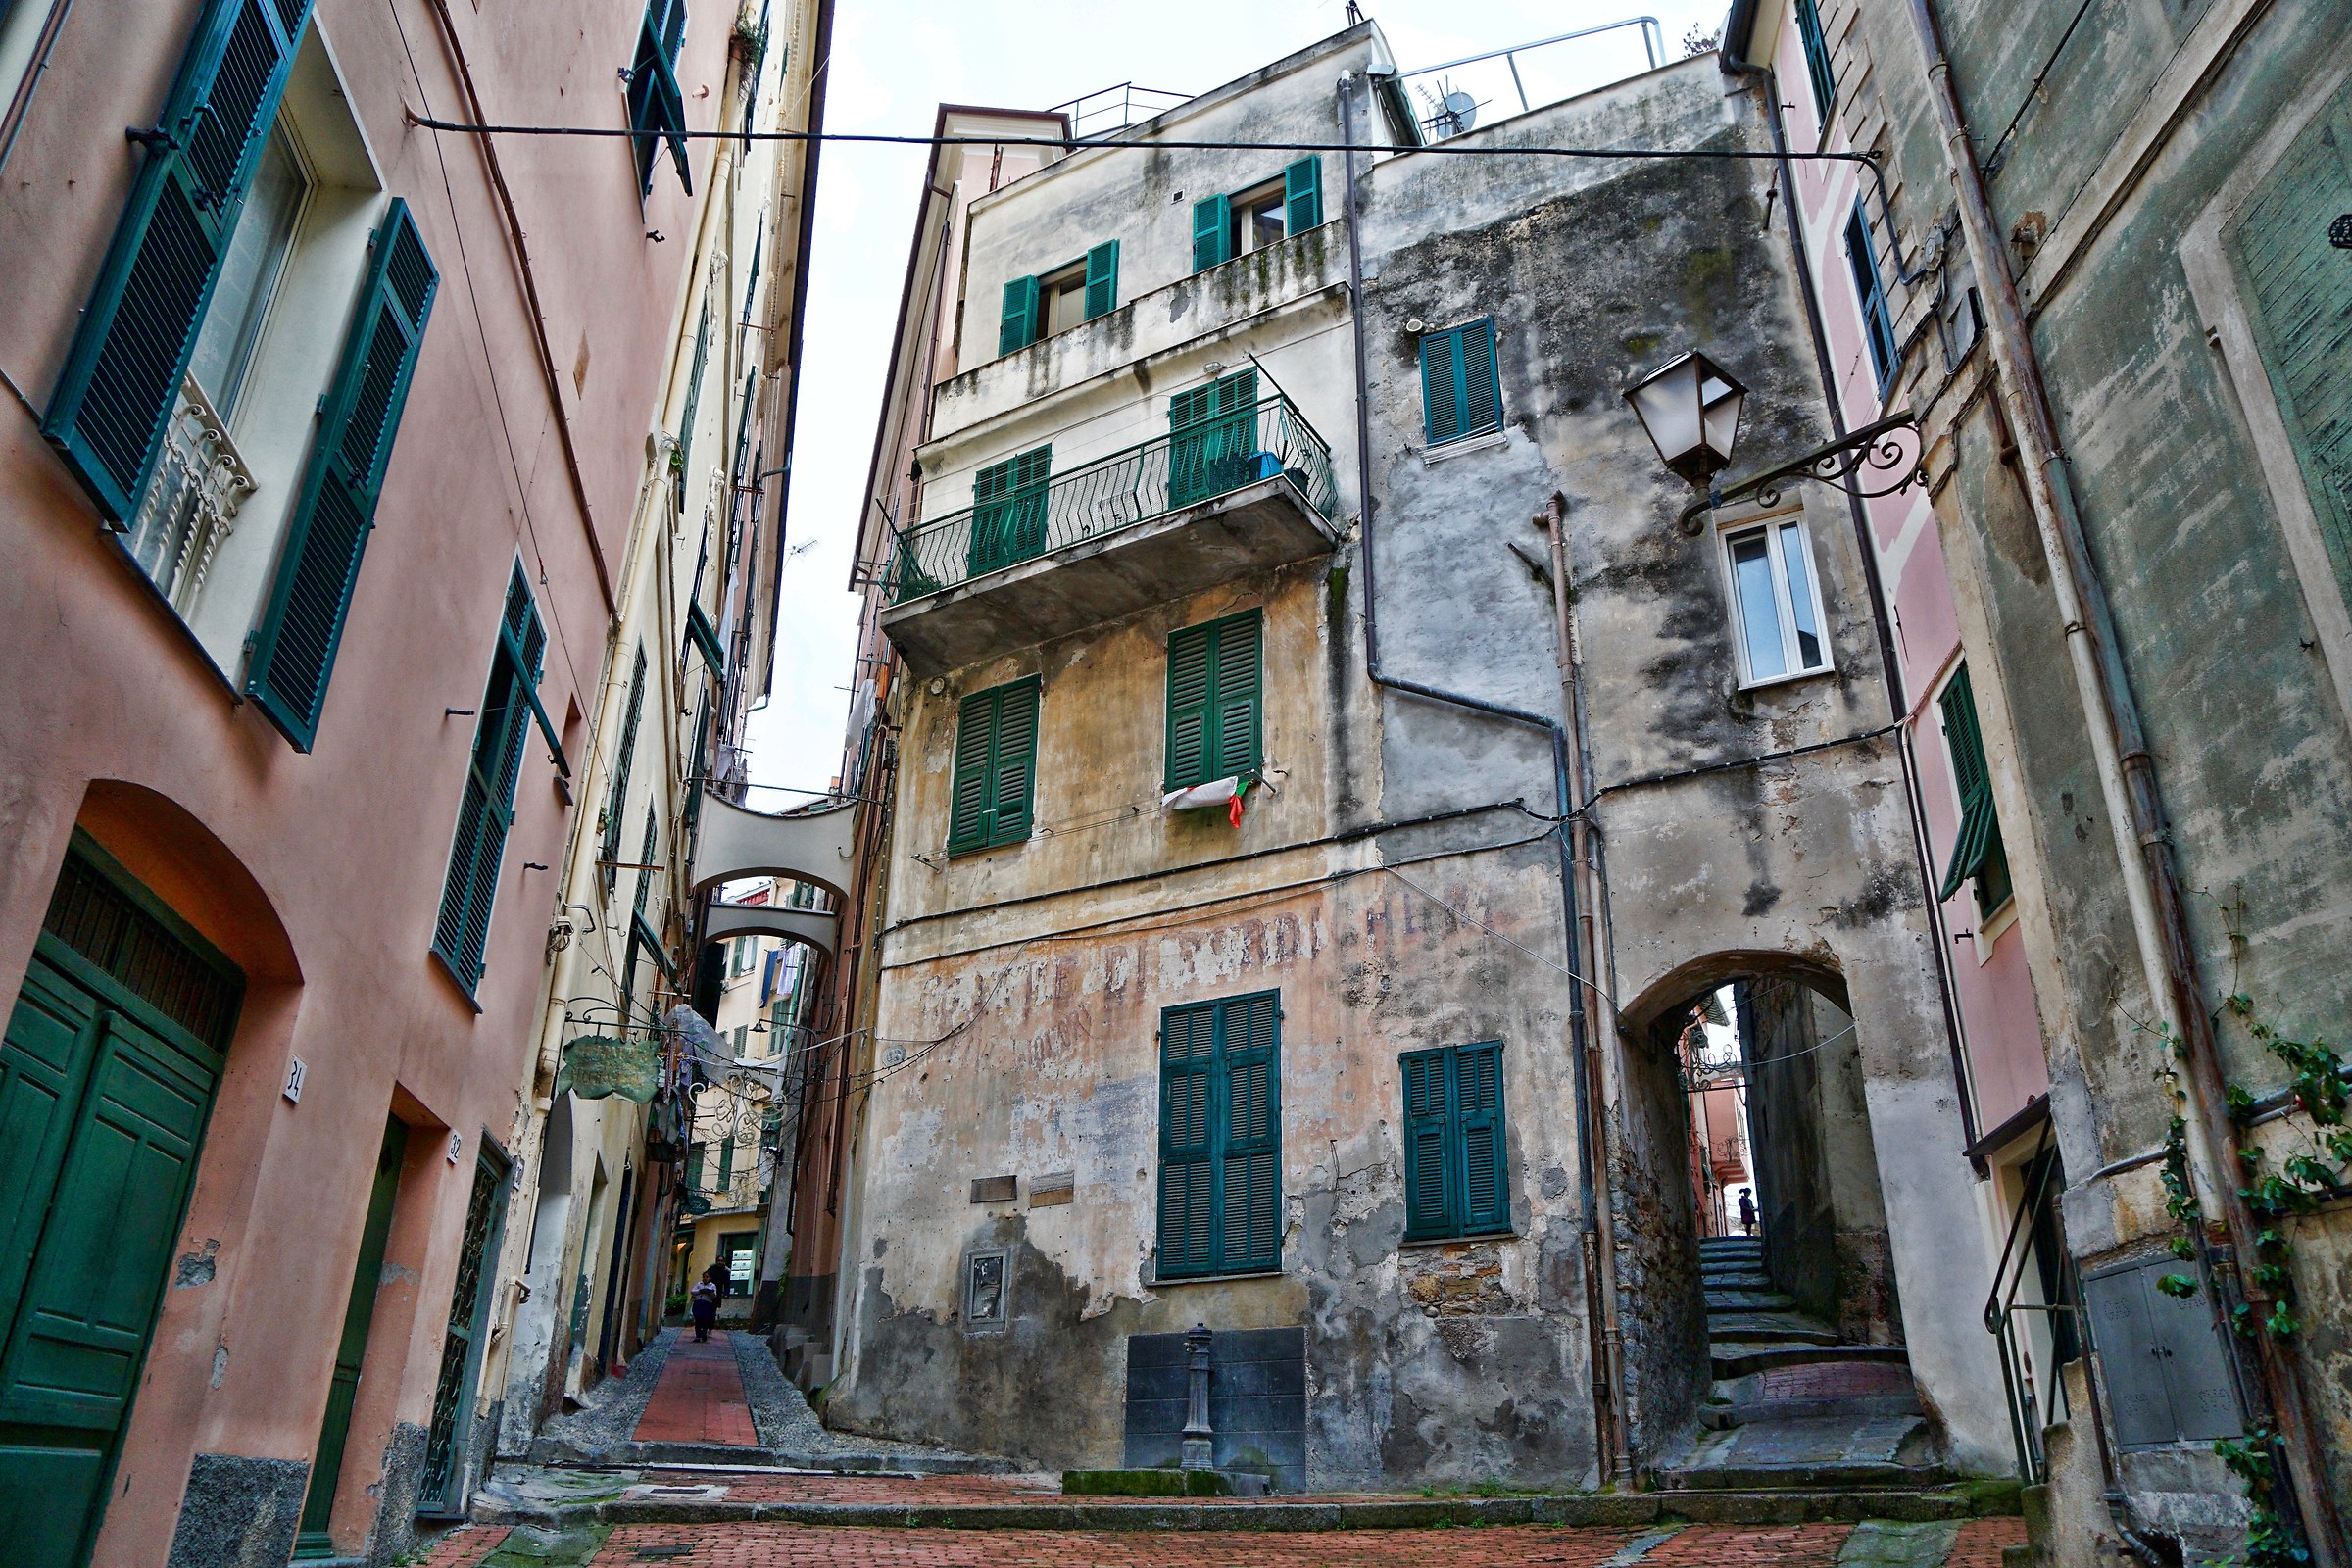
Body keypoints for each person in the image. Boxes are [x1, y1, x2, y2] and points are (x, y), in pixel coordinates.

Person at [690, 1277, 718, 1342]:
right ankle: (698, 1335)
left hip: (706, 1303)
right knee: (698, 1318)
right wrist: (700, 1291)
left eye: (707, 1277)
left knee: (705, 1319)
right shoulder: (699, 1284)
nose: (705, 1278)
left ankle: (703, 1333)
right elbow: (692, 1291)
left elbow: (714, 1296)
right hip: (698, 1302)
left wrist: (709, 1292)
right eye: (704, 1277)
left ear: (709, 1278)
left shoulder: (712, 1285)